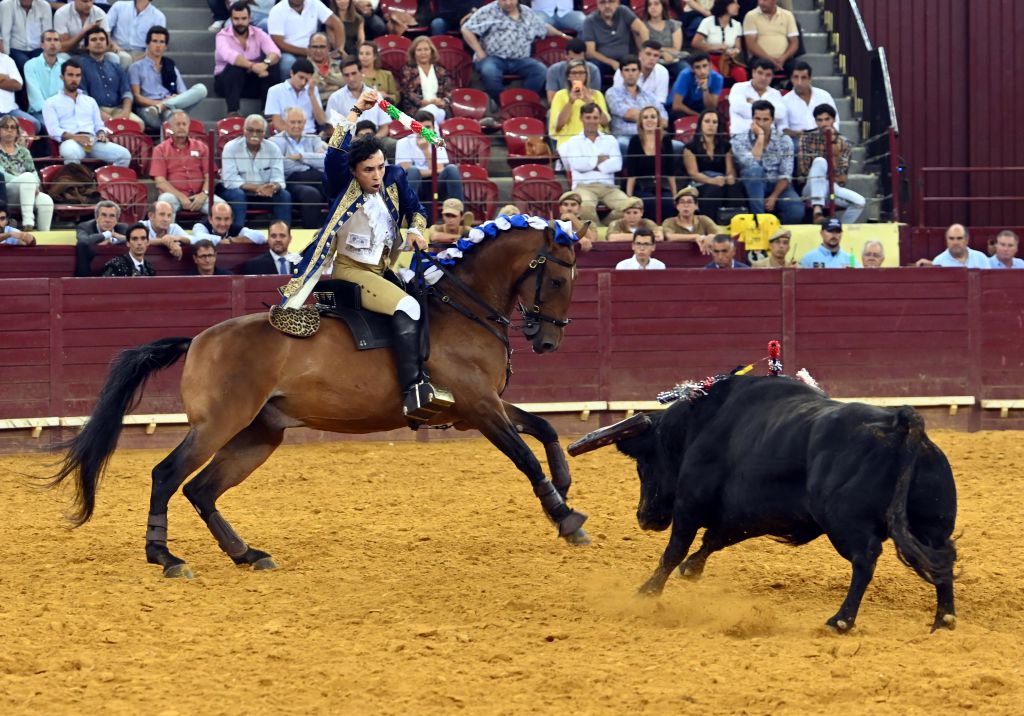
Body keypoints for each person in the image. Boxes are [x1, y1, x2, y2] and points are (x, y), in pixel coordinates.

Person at [277, 87, 448, 423]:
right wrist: (355, 109)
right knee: (408, 306)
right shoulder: (342, 182)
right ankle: (413, 391)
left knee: (428, 300)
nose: (377, 175)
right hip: (351, 270)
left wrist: (416, 230)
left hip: (383, 269)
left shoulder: (395, 178)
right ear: (354, 171)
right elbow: (335, 152)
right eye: (369, 169)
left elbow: (417, 211)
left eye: (380, 167)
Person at [461, 0, 562, 102]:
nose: (508, 3)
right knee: (489, 71)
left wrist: (563, 35)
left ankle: (523, 101)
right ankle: (502, 101)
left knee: (541, 70)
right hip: (493, 58)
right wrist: (479, 51)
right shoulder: (488, 11)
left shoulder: (527, 12)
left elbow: (543, 28)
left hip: (521, 59)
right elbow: (466, 29)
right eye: (504, 0)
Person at [42, 58, 132, 166]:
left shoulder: (90, 101)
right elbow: (53, 130)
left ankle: (110, 183)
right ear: (62, 77)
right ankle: (75, 183)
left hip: (92, 141)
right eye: (70, 75)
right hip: (70, 141)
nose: (74, 79)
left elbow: (99, 125)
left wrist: (101, 133)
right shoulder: (51, 102)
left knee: (124, 155)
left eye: (77, 75)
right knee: (71, 154)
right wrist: (75, 137)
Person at [557, 102, 631, 225]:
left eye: (595, 118)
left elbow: (617, 164)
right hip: (583, 186)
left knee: (628, 206)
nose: (592, 121)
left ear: (600, 118)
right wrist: (599, 160)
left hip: (609, 187)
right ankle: (596, 234)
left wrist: (589, 163)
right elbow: (577, 165)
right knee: (584, 208)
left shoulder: (610, 140)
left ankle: (605, 227)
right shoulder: (573, 142)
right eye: (588, 117)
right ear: (581, 118)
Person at [731, 99, 803, 224]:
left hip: (777, 185)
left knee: (796, 210)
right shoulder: (739, 139)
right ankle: (760, 223)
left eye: (765, 120)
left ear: (772, 120)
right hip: (751, 185)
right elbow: (751, 163)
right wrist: (760, 137)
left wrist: (774, 196)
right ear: (752, 119)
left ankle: (777, 236)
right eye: (757, 119)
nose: (761, 123)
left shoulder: (784, 140)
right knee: (754, 171)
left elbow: (786, 173)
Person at [218, 113, 292, 226]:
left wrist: (273, 187)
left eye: (259, 131)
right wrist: (257, 188)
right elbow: (230, 180)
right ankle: (237, 234)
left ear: (264, 133)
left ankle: (282, 235)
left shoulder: (273, 148)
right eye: (250, 130)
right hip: (240, 192)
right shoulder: (231, 148)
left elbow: (279, 178)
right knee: (237, 195)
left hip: (265, 194)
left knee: (284, 196)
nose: (254, 134)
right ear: (243, 130)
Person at [129, 26, 208, 129]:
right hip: (149, 109)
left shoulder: (170, 66)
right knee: (174, 115)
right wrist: (160, 104)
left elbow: (183, 93)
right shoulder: (136, 67)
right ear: (147, 44)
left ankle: (165, 106)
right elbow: (137, 97)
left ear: (166, 46)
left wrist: (167, 103)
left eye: (162, 42)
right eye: (154, 41)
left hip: (171, 106)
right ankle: (165, 107)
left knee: (201, 89)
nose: (158, 45)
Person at [797, 103, 865, 225]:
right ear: (816, 122)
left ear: (833, 120)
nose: (824, 123)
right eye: (820, 120)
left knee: (860, 202)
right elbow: (804, 170)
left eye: (827, 119)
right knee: (820, 161)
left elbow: (842, 178)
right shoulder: (806, 138)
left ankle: (840, 230)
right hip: (810, 188)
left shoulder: (844, 143)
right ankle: (817, 211)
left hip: (832, 188)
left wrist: (834, 151)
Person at [214, 2, 281, 117]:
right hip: (226, 83)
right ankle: (233, 112)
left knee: (273, 68)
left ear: (250, 18)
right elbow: (230, 56)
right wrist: (253, 66)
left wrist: (265, 64)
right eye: (236, 19)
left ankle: (268, 112)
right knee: (234, 68)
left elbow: (275, 52)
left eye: (244, 18)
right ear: (231, 19)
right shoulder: (222, 36)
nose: (240, 22)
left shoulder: (258, 33)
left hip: (251, 81)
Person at [268, 106, 327, 229]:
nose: (296, 126)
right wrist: (311, 161)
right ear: (285, 123)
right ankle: (311, 235)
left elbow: (325, 161)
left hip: (318, 179)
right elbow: (283, 165)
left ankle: (334, 231)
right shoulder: (275, 141)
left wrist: (300, 156)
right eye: (292, 122)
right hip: (292, 181)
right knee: (311, 194)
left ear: (305, 123)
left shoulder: (314, 139)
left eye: (299, 122)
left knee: (337, 189)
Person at [151, 109, 218, 216]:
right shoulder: (160, 149)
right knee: (164, 202)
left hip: (200, 195)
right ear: (170, 127)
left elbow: (209, 175)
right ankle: (167, 233)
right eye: (178, 124)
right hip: (174, 196)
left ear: (188, 126)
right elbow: (160, 181)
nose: (181, 127)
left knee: (221, 207)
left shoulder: (202, 147)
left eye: (184, 124)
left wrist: (204, 194)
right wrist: (180, 196)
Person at [79, 27, 144, 129]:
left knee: (138, 124)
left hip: (117, 110)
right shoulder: (80, 68)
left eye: (102, 39)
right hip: (94, 112)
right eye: (94, 40)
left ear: (107, 44)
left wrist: (125, 113)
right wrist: (100, 114)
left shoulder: (116, 67)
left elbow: (127, 92)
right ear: (86, 46)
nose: (98, 42)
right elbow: (82, 97)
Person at [682, 109, 742, 223]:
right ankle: (708, 224)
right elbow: (693, 173)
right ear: (701, 124)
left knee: (734, 188)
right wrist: (712, 180)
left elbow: (730, 170)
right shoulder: (690, 147)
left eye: (714, 122)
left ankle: (735, 224)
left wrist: (730, 177)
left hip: (721, 180)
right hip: (702, 182)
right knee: (714, 190)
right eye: (707, 121)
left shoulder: (725, 145)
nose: (711, 125)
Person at [395, 111, 464, 207]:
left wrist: (426, 150)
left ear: (433, 128)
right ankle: (408, 213)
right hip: (415, 186)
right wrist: (432, 171)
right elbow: (407, 171)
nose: (424, 131)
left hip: (435, 185)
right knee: (413, 172)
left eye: (427, 127)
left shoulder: (438, 142)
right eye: (420, 128)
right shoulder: (403, 143)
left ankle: (457, 212)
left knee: (452, 169)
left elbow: (440, 170)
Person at [0, 115, 52, 231]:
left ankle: (44, 238)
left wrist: (34, 185)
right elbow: (2, 175)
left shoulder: (24, 152)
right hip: (6, 192)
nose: (9, 130)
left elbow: (33, 171)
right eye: (5, 127)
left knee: (46, 200)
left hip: (27, 190)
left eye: (13, 127)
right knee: (27, 177)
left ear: (17, 131)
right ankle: (28, 222)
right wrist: (25, 180)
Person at [624, 105, 675, 221]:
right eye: (645, 117)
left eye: (653, 117)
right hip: (641, 187)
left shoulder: (666, 140)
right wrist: (629, 198)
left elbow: (670, 171)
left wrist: (675, 194)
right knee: (649, 203)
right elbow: (632, 173)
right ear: (641, 122)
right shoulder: (635, 141)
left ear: (658, 121)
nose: (649, 120)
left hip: (662, 186)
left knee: (668, 203)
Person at [267, 0, 343, 77]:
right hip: (289, 51)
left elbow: (337, 23)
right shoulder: (277, 10)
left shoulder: (314, 3)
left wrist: (339, 49)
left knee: (340, 63)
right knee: (288, 63)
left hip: (314, 48)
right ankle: (290, 88)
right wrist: (306, 52)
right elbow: (279, 42)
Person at [548, 59, 609, 149]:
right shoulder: (560, 95)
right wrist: (570, 102)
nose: (577, 76)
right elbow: (558, 126)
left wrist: (591, 102)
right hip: (568, 141)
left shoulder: (597, 95)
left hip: (595, 140)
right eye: (573, 73)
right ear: (568, 76)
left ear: (586, 76)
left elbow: (605, 122)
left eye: (581, 73)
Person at [606, 55, 668, 143]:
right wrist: (653, 118)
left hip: (650, 137)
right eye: (626, 70)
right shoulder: (612, 93)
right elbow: (628, 114)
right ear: (621, 73)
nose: (630, 73)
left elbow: (665, 120)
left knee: (678, 146)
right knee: (622, 143)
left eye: (634, 70)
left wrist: (641, 116)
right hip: (625, 137)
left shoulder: (650, 95)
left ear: (639, 72)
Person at [581, 0, 648, 76]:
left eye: (611, 2)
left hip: (626, 58)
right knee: (593, 66)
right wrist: (611, 62)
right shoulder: (590, 21)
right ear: (597, 5)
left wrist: (644, 54)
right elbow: (590, 52)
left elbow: (643, 30)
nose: (607, 6)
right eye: (602, 2)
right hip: (603, 62)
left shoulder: (623, 11)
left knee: (642, 63)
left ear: (617, 3)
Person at [398, 35, 452, 126]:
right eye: (419, 50)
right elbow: (407, 93)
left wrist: (443, 102)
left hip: (439, 108)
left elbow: (448, 92)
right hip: (417, 110)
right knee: (431, 110)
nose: (423, 53)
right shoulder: (408, 70)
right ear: (414, 53)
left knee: (435, 111)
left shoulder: (440, 70)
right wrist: (426, 103)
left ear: (431, 51)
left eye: (426, 49)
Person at [326, 58, 390, 134]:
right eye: (346, 75)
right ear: (342, 76)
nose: (351, 79)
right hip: (348, 142)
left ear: (361, 72)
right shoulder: (335, 98)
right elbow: (331, 129)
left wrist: (373, 141)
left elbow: (384, 127)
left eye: (354, 73)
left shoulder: (376, 95)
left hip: (375, 139)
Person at [263, 57, 325, 135]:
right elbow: (277, 124)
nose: (303, 82)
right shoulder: (275, 90)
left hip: (309, 135)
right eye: (301, 77)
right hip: (284, 135)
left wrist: (312, 96)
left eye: (307, 79)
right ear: (291, 73)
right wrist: (296, 138)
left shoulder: (313, 90)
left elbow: (322, 121)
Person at [693, 0, 747, 85]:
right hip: (710, 58)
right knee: (715, 75)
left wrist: (735, 51)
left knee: (741, 72)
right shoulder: (708, 22)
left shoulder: (737, 25)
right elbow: (695, 43)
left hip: (728, 60)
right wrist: (715, 47)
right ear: (725, 5)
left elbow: (738, 47)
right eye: (734, 3)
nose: (738, 6)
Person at [742, 0, 800, 78]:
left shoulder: (787, 15)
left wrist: (783, 58)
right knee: (760, 67)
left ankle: (789, 89)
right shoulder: (751, 16)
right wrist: (769, 59)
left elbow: (794, 43)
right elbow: (751, 44)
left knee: (799, 70)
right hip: (759, 58)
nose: (761, 3)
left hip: (784, 59)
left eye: (765, 0)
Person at [728, 57, 785, 136]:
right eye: (760, 73)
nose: (763, 78)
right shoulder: (738, 88)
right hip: (742, 135)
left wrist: (754, 103)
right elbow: (739, 108)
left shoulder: (775, 94)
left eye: (768, 75)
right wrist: (768, 111)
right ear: (753, 72)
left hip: (768, 138)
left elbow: (780, 114)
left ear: (772, 77)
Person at [781, 61, 837, 140]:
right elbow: (782, 129)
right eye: (796, 77)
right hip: (798, 140)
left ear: (810, 79)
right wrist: (798, 134)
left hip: (824, 137)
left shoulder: (824, 96)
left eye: (803, 78)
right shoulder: (785, 100)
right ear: (791, 79)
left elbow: (835, 120)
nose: (799, 82)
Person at [23, 30, 68, 123]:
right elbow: (36, 99)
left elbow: (68, 93)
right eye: (49, 40)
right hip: (39, 112)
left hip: (63, 112)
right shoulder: (30, 65)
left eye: (56, 40)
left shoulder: (65, 65)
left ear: (60, 44)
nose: (52, 43)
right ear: (42, 45)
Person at [74, 199, 128, 275]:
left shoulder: (123, 228)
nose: (107, 220)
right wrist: (107, 234)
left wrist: (114, 239)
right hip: (90, 271)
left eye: (112, 216)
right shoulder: (84, 227)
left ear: (117, 220)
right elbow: (83, 241)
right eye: (103, 215)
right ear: (96, 218)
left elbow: (136, 240)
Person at [0, 0, 51, 79]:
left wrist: (49, 55)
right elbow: (5, 34)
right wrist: (6, 60)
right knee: (26, 65)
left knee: (46, 65)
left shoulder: (44, 6)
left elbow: (48, 34)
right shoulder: (6, 5)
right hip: (15, 50)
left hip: (38, 49)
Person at [107, 0, 166, 66]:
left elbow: (157, 42)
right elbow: (105, 29)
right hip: (117, 49)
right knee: (124, 58)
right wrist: (112, 44)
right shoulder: (119, 6)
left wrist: (141, 58)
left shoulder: (158, 16)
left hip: (142, 53)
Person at [546, 38, 600, 105]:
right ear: (566, 55)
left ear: (585, 56)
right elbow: (551, 100)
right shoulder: (554, 70)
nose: (576, 63)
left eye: (579, 60)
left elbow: (596, 97)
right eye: (572, 59)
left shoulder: (593, 70)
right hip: (562, 105)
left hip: (586, 106)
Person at [669, 52, 723, 118]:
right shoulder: (685, 75)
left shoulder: (717, 78)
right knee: (676, 114)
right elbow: (677, 106)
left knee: (717, 116)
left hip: (701, 107)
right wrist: (699, 116)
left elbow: (711, 108)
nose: (702, 71)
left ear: (710, 65)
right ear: (692, 69)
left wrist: (705, 89)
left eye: (705, 66)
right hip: (683, 107)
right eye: (698, 67)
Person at [0, 42, 39, 132]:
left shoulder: (7, 60)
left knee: (34, 124)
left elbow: (17, 85)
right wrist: (4, 77)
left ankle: (18, 146)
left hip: (10, 110)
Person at [640, 0, 685, 75]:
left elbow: (676, 49)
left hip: (673, 60)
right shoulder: (643, 26)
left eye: (656, 4)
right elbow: (646, 48)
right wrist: (662, 53)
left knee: (685, 70)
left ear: (663, 6)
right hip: (652, 61)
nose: (652, 7)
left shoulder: (673, 24)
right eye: (649, 5)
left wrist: (658, 49)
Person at [190, 201, 267, 245]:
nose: (223, 223)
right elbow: (198, 238)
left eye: (226, 219)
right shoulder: (200, 226)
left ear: (231, 220)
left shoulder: (236, 228)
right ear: (210, 219)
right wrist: (220, 241)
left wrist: (231, 240)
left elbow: (261, 237)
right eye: (218, 219)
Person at [915, 224, 990, 269]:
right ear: (946, 240)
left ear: (967, 240)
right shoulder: (938, 261)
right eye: (951, 238)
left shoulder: (981, 258)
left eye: (959, 238)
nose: (955, 242)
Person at [307, 32, 342, 103]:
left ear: (328, 48)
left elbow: (346, 81)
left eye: (322, 47)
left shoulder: (339, 64)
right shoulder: (302, 66)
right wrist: (334, 87)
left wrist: (326, 77)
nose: (318, 51)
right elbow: (307, 89)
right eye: (315, 47)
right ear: (309, 48)